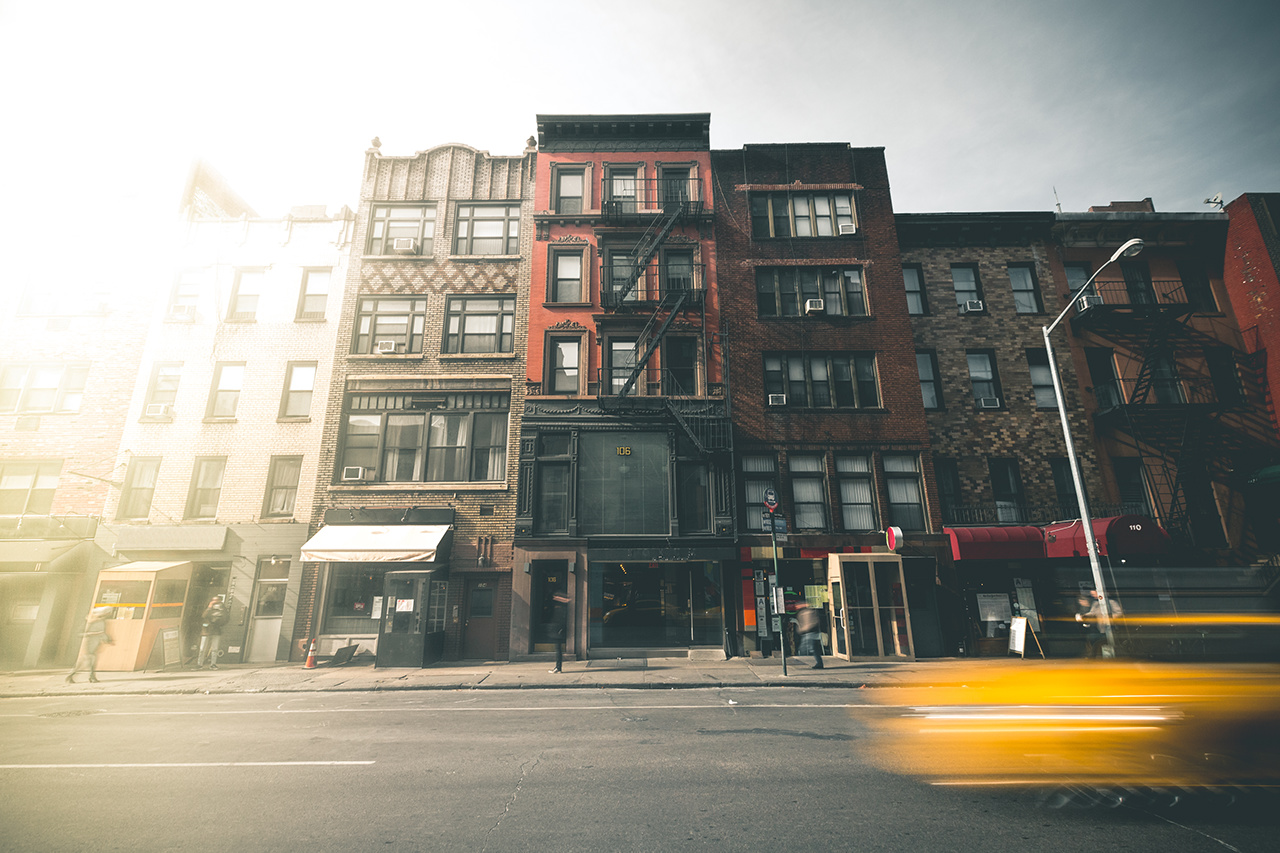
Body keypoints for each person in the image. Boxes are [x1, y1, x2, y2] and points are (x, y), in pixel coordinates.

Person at [66, 605, 113, 684]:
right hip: (90, 643)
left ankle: (88, 676)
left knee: (89, 661)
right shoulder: (93, 621)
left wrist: (105, 638)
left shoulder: (99, 621)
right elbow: (82, 632)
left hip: (94, 643)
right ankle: (77, 675)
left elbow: (102, 632)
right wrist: (97, 634)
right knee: (88, 661)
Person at [1075, 589, 1122, 658]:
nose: (1094, 596)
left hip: (1110, 628)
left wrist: (1109, 618)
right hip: (1100, 628)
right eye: (1092, 594)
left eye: (1095, 594)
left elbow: (1119, 613)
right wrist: (1083, 616)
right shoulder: (1095, 603)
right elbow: (1092, 613)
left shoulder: (1111, 602)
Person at [197, 595, 230, 669]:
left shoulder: (223, 609)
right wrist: (209, 607)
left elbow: (226, 618)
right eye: (214, 600)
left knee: (214, 648)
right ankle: (199, 664)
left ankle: (213, 664)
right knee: (202, 648)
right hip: (206, 630)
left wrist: (220, 623)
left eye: (217, 600)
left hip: (216, 630)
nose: (215, 602)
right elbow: (203, 616)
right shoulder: (208, 608)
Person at [796, 604, 823, 669]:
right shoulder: (808, 612)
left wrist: (802, 629)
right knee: (814, 648)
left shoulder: (805, 613)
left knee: (805, 648)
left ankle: (818, 663)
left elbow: (809, 623)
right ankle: (819, 663)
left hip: (809, 632)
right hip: (811, 632)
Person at [549, 592, 569, 673]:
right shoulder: (561, 606)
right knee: (558, 650)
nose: (554, 597)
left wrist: (559, 630)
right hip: (558, 631)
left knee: (558, 650)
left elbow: (561, 620)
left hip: (558, 632)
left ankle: (558, 667)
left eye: (556, 596)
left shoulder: (561, 607)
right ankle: (558, 667)